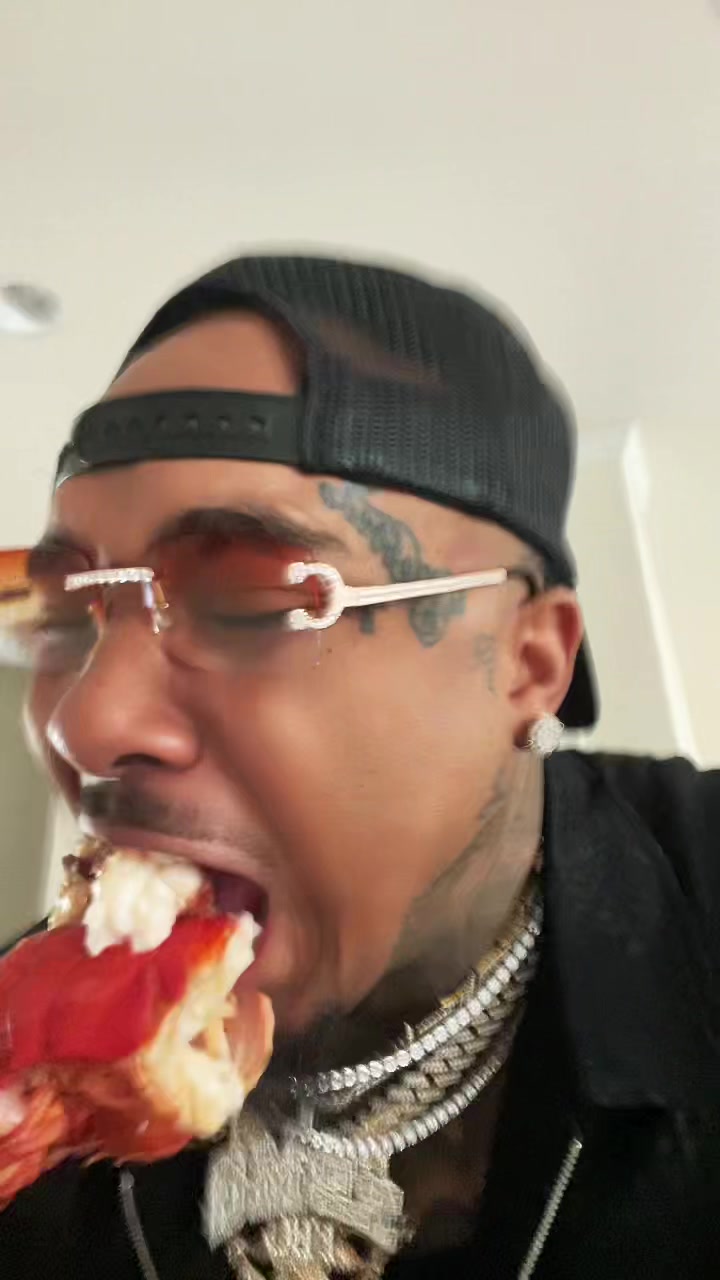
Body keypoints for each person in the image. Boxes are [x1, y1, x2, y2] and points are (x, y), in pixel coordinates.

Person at [0, 253, 718, 1280]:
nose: (85, 720)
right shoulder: (30, 1072)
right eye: (69, 614)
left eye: (250, 601)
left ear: (528, 662)